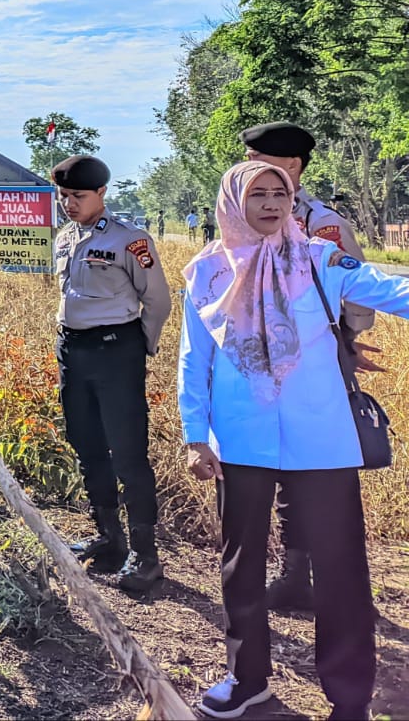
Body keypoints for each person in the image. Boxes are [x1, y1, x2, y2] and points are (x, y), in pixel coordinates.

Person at [180, 160, 409, 720]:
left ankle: (349, 697)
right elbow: (195, 360)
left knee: (341, 570)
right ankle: (246, 678)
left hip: (321, 439)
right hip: (240, 440)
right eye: (256, 193)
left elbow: (386, 287)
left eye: (278, 192)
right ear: (233, 200)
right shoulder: (207, 271)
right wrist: (195, 436)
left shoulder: (319, 258)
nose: (269, 203)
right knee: (242, 564)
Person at [240, 121, 381, 612]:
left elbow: (356, 297)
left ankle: (332, 578)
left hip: (316, 367)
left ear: (292, 166)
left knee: (323, 474)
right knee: (281, 470)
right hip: (265, 369)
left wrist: (345, 343)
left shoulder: (323, 226)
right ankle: (294, 574)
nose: (248, 171)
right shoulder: (244, 214)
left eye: (258, 161)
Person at [51, 155, 173, 592]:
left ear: (102, 193)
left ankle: (145, 554)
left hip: (115, 351)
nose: (69, 204)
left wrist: (142, 345)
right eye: (64, 196)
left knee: (127, 453)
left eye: (78, 196)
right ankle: (109, 537)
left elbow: (157, 300)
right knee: (86, 443)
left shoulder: (130, 240)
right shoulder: (65, 238)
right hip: (73, 351)